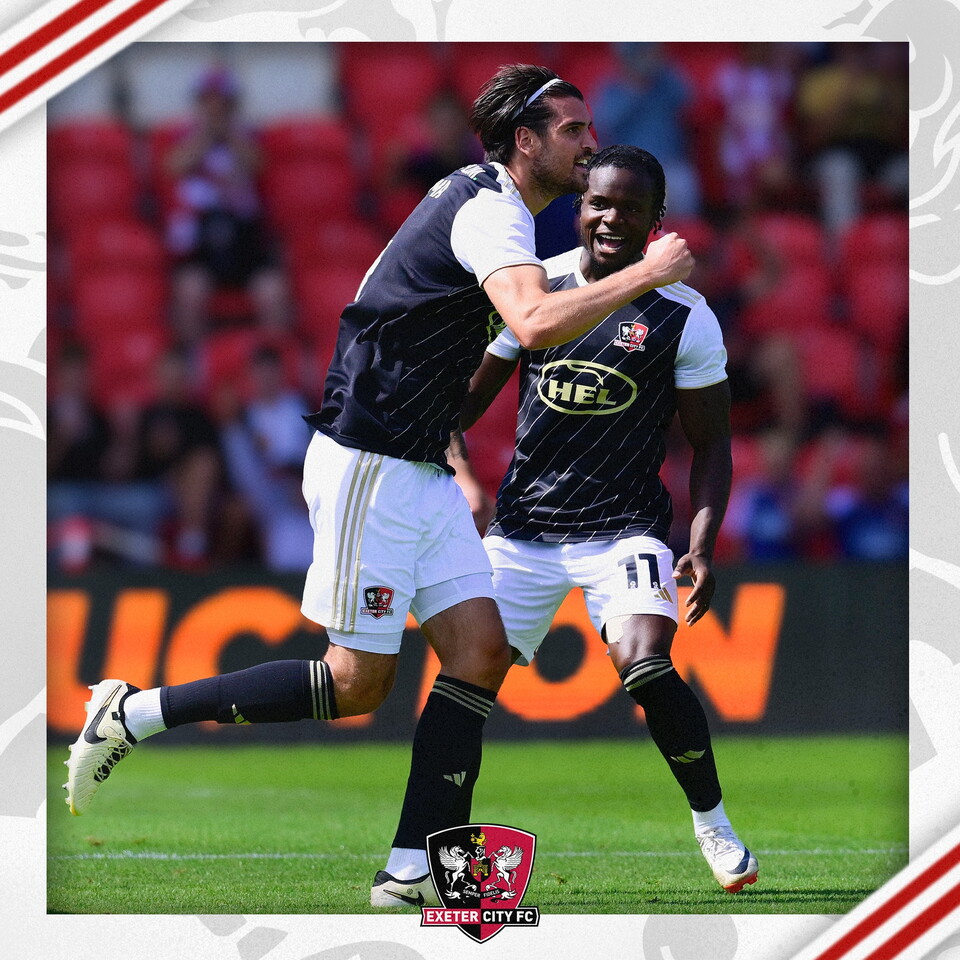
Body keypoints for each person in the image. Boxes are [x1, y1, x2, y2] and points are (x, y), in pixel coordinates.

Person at [64, 65, 694, 909]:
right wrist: (649, 274)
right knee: (356, 683)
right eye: (573, 129)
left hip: (416, 465)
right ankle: (133, 713)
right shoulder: (491, 210)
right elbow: (535, 323)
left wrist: (457, 463)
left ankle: (412, 872)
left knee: (479, 652)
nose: (590, 141)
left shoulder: (485, 201)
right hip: (372, 462)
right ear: (525, 142)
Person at [453, 145, 758, 893]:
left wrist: (701, 543)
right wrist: (458, 473)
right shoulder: (536, 289)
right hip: (522, 533)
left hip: (623, 530)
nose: (610, 217)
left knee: (648, 666)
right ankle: (432, 852)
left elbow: (711, 442)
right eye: (598, 202)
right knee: (461, 690)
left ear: (657, 220)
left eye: (628, 206)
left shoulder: (683, 314)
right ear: (579, 208)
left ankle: (712, 822)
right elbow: (458, 406)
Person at [164, 66, 290, 342]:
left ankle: (275, 361)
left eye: (221, 101)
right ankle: (196, 367)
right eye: (209, 100)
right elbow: (173, 166)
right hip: (204, 244)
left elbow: (258, 165)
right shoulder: (186, 137)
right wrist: (208, 135)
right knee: (188, 292)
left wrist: (228, 134)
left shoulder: (248, 136)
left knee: (273, 292)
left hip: (244, 241)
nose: (215, 108)